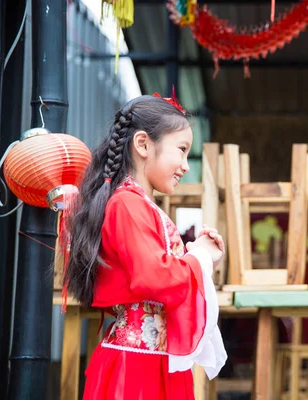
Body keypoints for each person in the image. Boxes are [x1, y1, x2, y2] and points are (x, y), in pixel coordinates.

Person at [64, 94, 227, 400]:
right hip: (136, 366)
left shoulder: (134, 203)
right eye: (181, 150)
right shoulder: (126, 204)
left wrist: (199, 256)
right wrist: (200, 256)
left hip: (146, 360)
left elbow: (157, 272)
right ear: (143, 144)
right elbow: (153, 277)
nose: (185, 166)